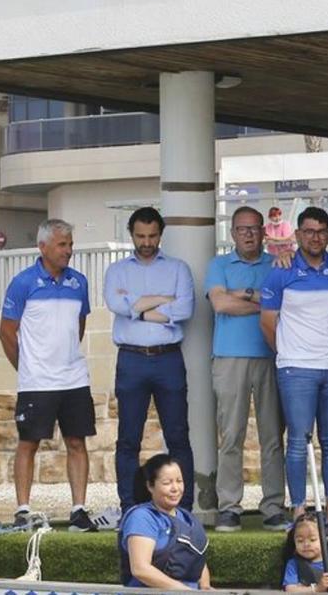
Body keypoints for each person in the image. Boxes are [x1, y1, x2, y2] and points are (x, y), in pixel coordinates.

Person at [0, 218, 97, 531]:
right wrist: (27, 367)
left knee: (77, 442)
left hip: (74, 379)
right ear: (43, 247)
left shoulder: (79, 282)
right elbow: (6, 332)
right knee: (29, 442)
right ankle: (23, 510)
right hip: (36, 382)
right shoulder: (23, 282)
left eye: (70, 244)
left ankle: (79, 510)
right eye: (62, 245)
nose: (68, 250)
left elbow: (78, 326)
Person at [261, 206, 328, 519]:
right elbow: (268, 322)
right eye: (309, 231)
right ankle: (299, 510)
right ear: (297, 235)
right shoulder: (281, 270)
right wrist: (289, 352)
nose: (316, 237)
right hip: (296, 368)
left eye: (322, 231)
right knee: (299, 441)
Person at [104, 207, 196, 512]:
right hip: (131, 359)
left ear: (161, 234)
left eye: (152, 236)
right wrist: (162, 301)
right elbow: (115, 303)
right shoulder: (117, 271)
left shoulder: (178, 268)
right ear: (131, 234)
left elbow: (184, 310)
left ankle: (182, 507)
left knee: (178, 436)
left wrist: (136, 307)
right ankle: (130, 505)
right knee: (128, 438)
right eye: (140, 236)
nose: (146, 242)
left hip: (168, 359)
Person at [206, 205, 287, 532]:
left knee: (272, 436)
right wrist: (259, 300)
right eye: (242, 229)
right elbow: (220, 303)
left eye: (255, 228)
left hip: (271, 356)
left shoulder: (276, 264)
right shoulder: (219, 264)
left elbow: (281, 306)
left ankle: (273, 507)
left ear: (264, 232)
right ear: (233, 233)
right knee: (231, 436)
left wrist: (242, 296)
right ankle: (229, 507)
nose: (249, 234)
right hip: (229, 358)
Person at [119, 453, 211, 590]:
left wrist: (205, 588)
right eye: (167, 483)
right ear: (150, 486)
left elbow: (196, 558)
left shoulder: (187, 518)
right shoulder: (142, 518)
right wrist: (184, 591)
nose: (175, 488)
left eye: (179, 481)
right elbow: (140, 569)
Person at [282, 511, 328, 592]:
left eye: (312, 540)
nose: (306, 544)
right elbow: (289, 589)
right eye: (300, 541)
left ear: (325, 539)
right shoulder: (294, 563)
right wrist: (316, 589)